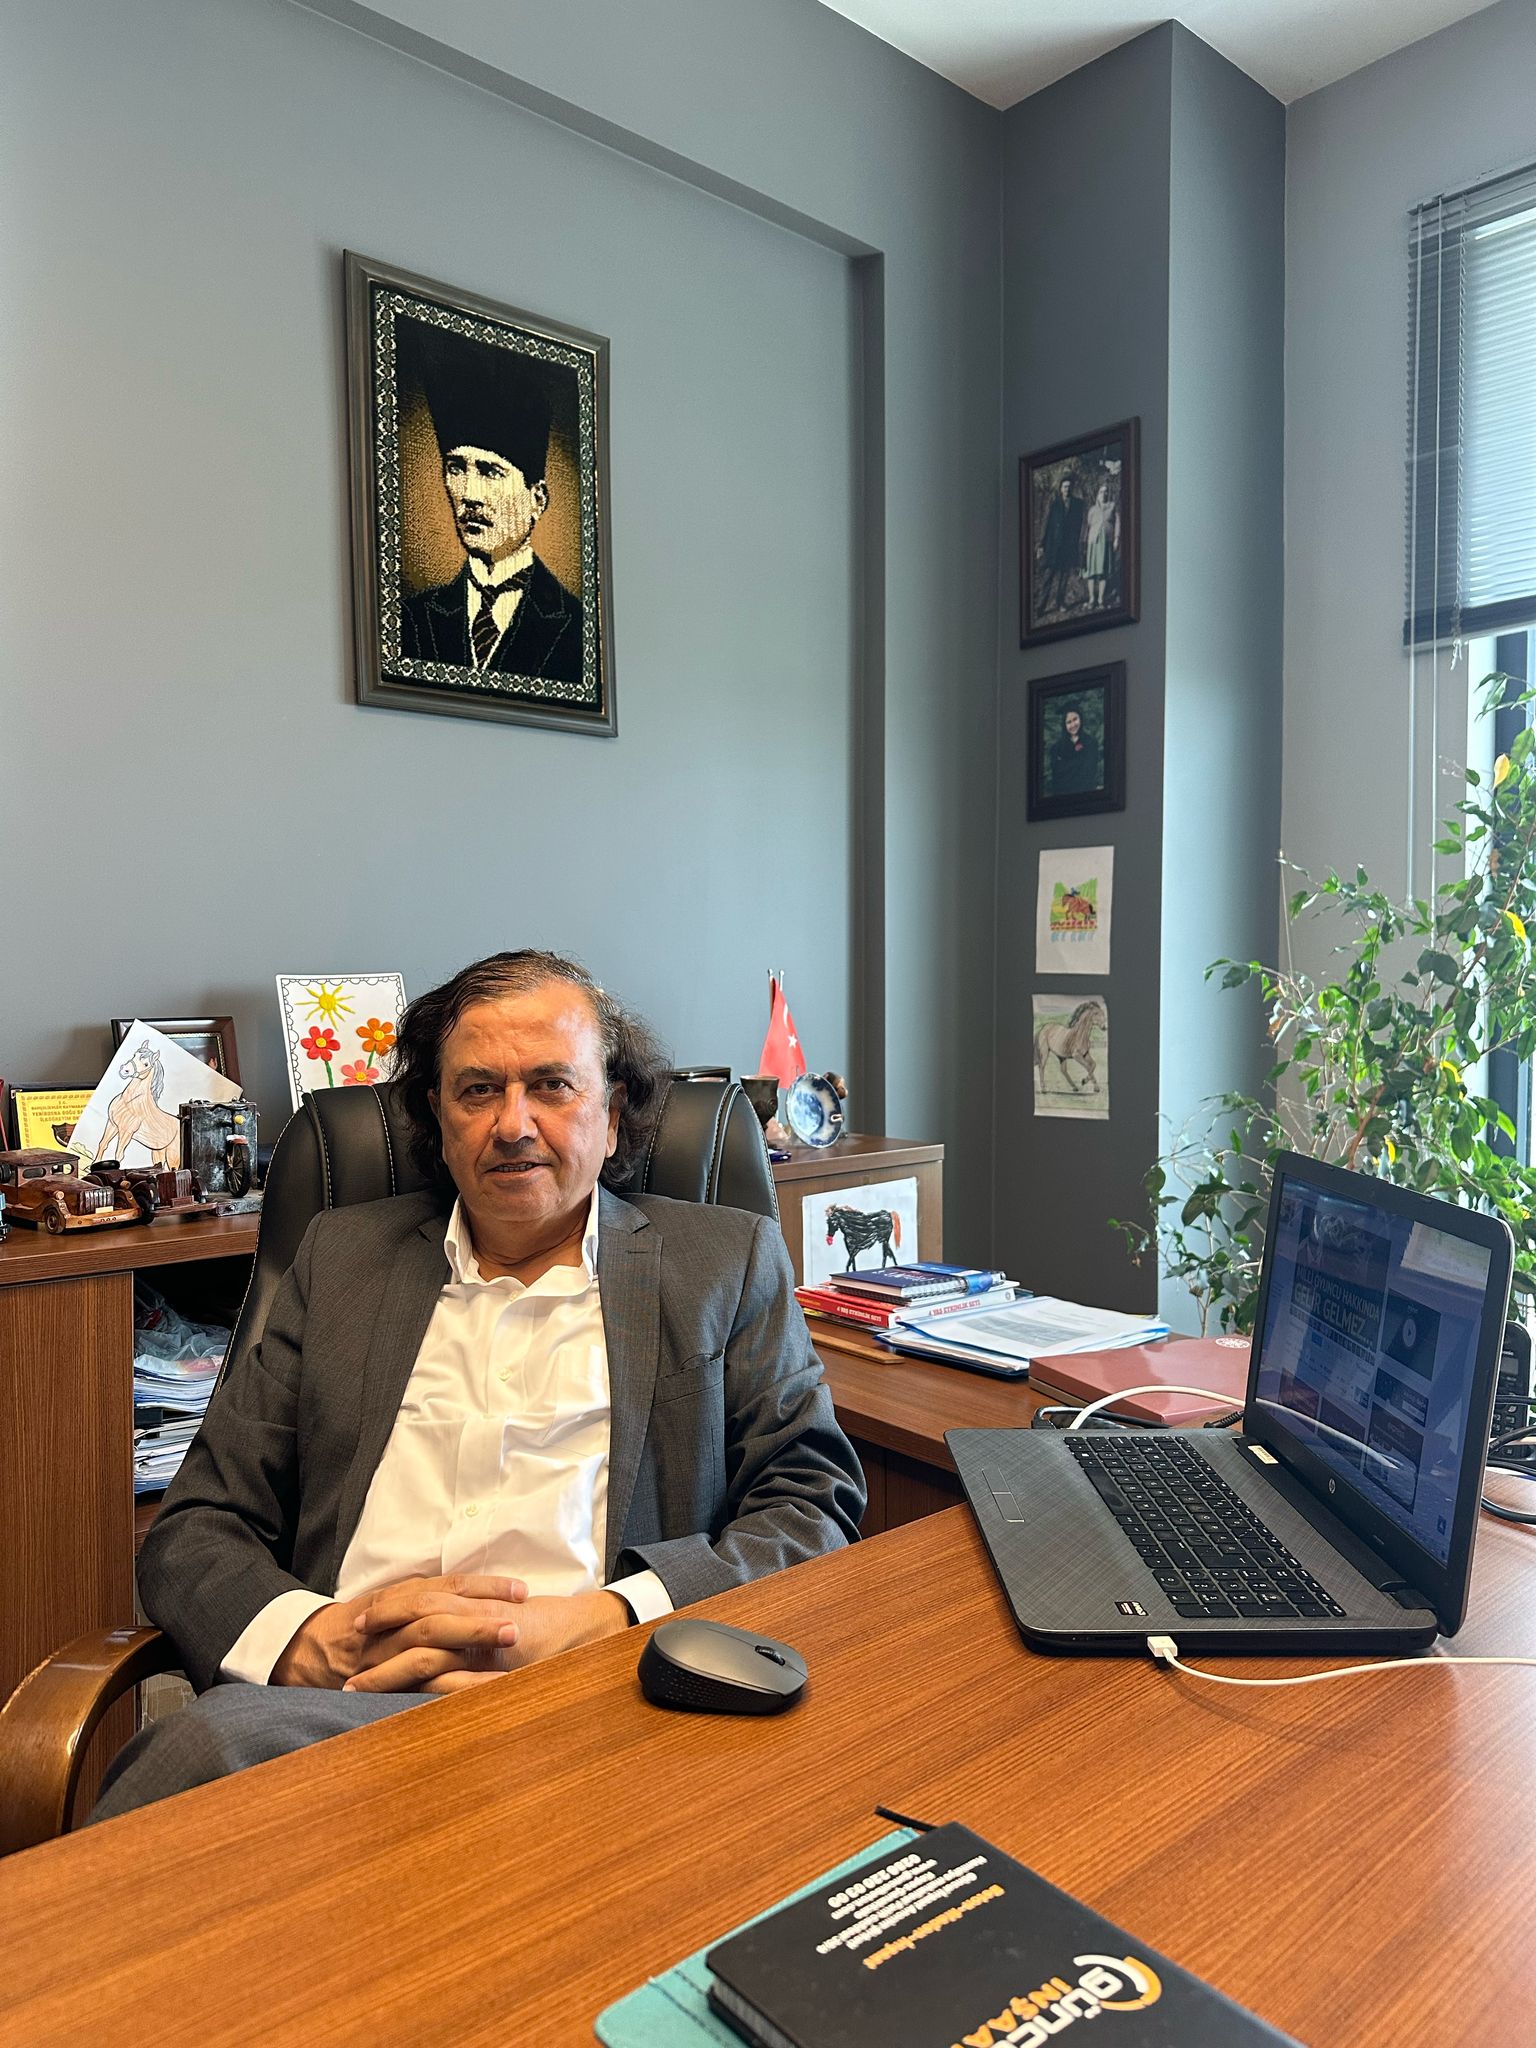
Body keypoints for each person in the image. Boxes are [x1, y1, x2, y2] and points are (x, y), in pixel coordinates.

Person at [93, 951, 865, 1817]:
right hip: (342, 1717)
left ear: (612, 1116)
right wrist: (306, 1637)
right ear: (437, 1115)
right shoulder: (341, 1261)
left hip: (609, 1708)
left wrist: (616, 1618)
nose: (513, 1124)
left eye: (552, 1086)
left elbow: (811, 1505)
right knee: (203, 1753)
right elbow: (197, 1525)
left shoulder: (722, 1263)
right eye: (478, 1090)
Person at [399, 329, 584, 686]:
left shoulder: (577, 626)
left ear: (537, 499)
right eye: (456, 468)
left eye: (490, 472)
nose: (470, 494)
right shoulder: (411, 619)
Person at [1036, 474, 1084, 617]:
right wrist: (1041, 544)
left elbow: (1079, 527)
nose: (1067, 489)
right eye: (1064, 487)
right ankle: (1040, 607)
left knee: (1064, 577)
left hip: (1068, 547)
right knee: (1048, 577)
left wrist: (1077, 544)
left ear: (1072, 488)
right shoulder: (1054, 503)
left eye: (1069, 487)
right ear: (1060, 488)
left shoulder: (1077, 504)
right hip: (1053, 546)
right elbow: (1045, 524)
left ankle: (1060, 602)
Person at [1082, 480, 1118, 610]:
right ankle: (1092, 599)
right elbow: (1087, 526)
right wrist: (1085, 544)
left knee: (1104, 572)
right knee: (1091, 572)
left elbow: (1117, 523)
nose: (1103, 494)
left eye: (1105, 492)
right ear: (1097, 494)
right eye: (1101, 492)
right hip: (1093, 543)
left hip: (1107, 542)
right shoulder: (1092, 509)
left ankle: (1101, 600)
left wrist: (1116, 539)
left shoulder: (1112, 507)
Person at [1049, 707, 1100, 796]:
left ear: (1080, 719)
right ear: (1064, 725)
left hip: (1085, 794)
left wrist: (1066, 766)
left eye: (1075, 719)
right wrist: (1078, 763)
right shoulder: (1056, 748)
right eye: (1069, 722)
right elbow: (1056, 777)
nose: (1073, 725)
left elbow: (1088, 772)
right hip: (1063, 795)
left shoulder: (1090, 742)